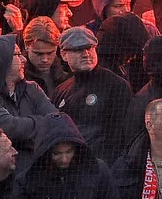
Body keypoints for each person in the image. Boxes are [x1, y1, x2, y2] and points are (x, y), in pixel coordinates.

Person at [0, 34, 58, 160]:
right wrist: (44, 124)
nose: (24, 59)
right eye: (17, 55)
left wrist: (32, 130)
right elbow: (11, 129)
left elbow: (57, 121)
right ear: (1, 60)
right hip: (0, 176)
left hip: (37, 170)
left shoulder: (32, 89)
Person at [52, 26, 133, 163]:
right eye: (78, 50)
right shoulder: (61, 91)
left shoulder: (116, 85)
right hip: (68, 168)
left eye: (90, 48)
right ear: (64, 55)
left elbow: (119, 138)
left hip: (100, 168)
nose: (86, 54)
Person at [11, 116, 117, 199]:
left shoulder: (97, 170)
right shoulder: (27, 180)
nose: (64, 159)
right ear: (46, 153)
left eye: (69, 151)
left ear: (77, 148)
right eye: (57, 154)